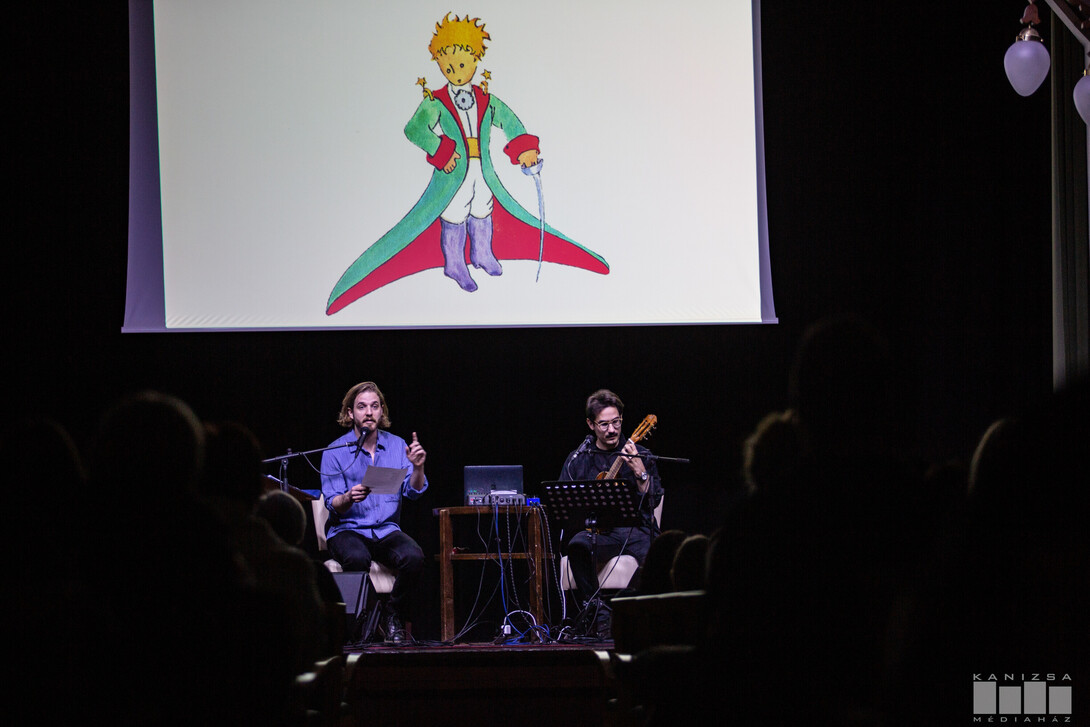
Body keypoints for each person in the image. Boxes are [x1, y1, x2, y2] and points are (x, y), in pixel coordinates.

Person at [319, 381, 428, 644]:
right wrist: (348, 498)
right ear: (350, 413)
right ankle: (367, 622)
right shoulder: (334, 451)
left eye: (374, 406)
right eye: (361, 407)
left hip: (385, 529)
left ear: (381, 411)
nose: (369, 412)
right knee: (357, 558)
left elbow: (413, 492)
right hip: (347, 529)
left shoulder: (397, 446)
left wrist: (418, 468)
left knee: (414, 557)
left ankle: (392, 614)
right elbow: (332, 502)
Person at [558, 389, 662, 637]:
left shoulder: (640, 454)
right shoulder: (579, 459)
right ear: (590, 424)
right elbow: (565, 502)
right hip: (600, 532)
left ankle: (636, 614)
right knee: (577, 545)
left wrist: (640, 472)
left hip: (635, 529)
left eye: (616, 422)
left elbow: (654, 499)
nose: (612, 430)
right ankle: (599, 613)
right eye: (604, 424)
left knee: (658, 553)